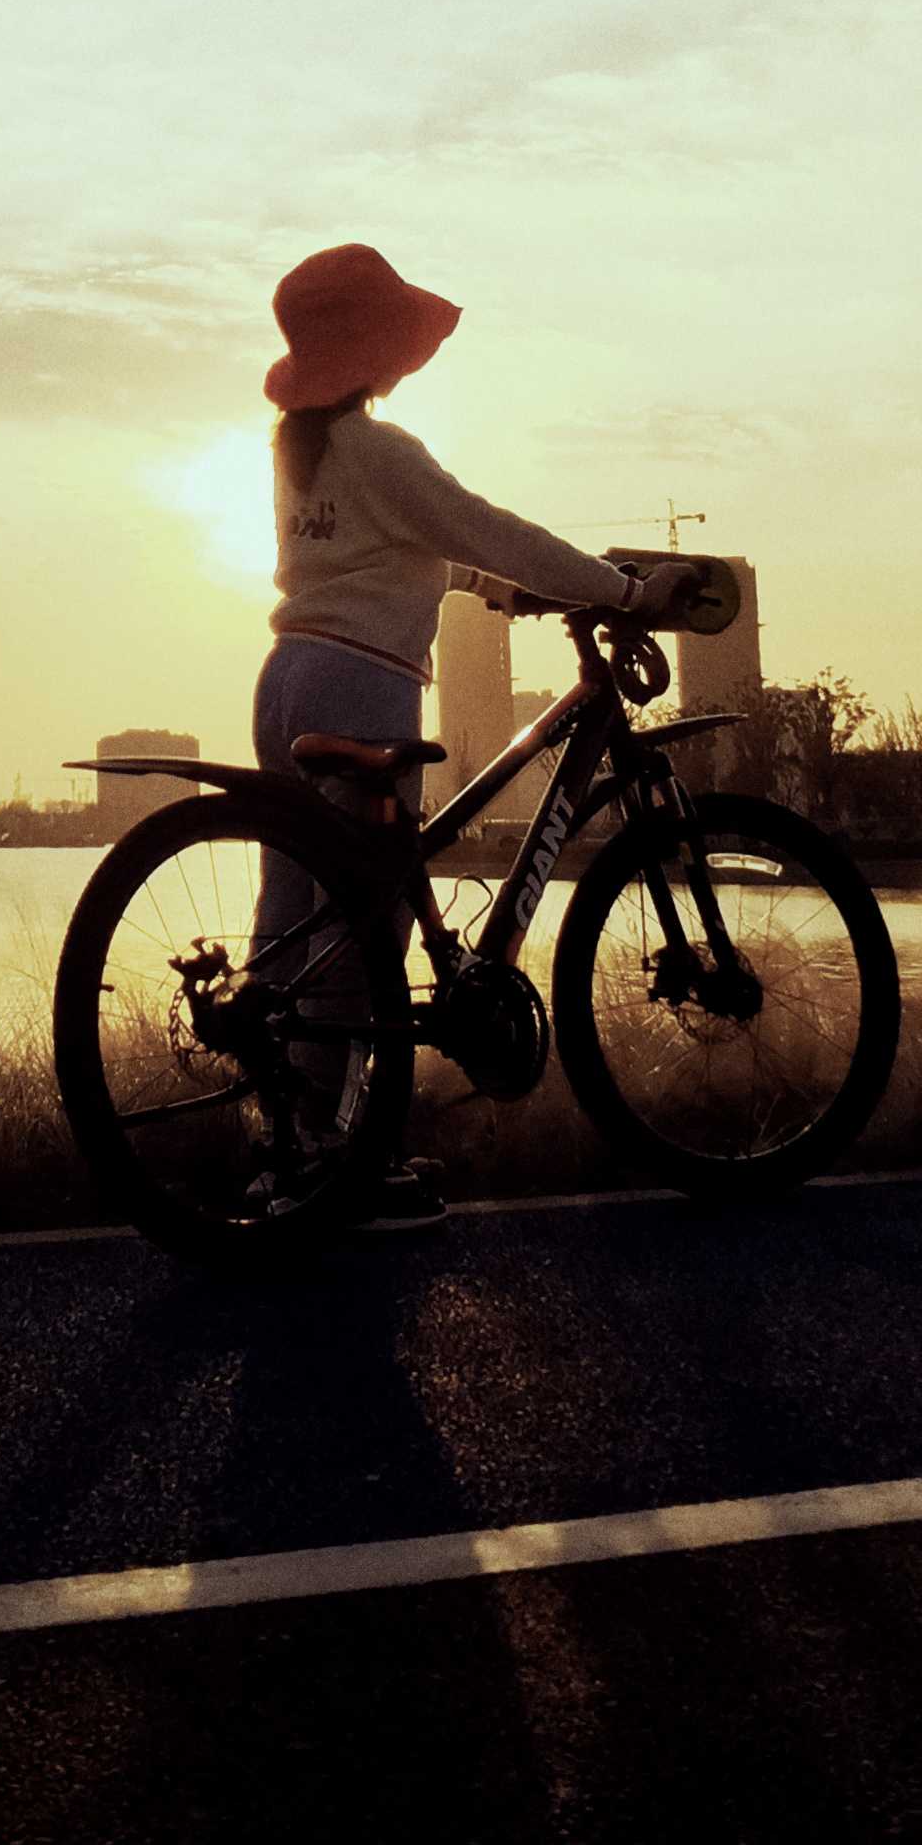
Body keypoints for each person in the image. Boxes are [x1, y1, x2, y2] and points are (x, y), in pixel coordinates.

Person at [253, 242, 700, 1231]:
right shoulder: (380, 449)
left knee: (290, 921)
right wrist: (624, 591)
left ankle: (287, 1151)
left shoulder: (302, 454)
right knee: (362, 932)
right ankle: (343, 1165)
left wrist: (504, 589)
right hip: (361, 683)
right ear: (372, 348)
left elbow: (416, 552)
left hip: (286, 681)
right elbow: (482, 528)